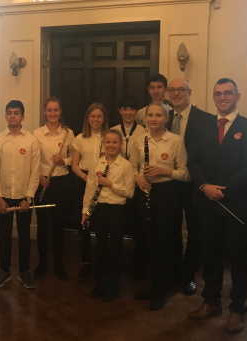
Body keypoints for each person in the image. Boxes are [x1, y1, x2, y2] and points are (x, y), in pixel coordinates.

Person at [187, 78, 247, 334]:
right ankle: (211, 302)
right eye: (218, 93)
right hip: (206, 203)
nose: (222, 97)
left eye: (227, 93)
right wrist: (204, 187)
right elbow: (193, 161)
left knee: (238, 258)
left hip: (235, 206)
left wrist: (223, 191)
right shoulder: (201, 126)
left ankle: (237, 308)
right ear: (213, 97)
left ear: (237, 96)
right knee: (208, 255)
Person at [129, 102, 189, 311]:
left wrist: (163, 171)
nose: (153, 119)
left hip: (166, 193)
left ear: (166, 118)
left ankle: (163, 290)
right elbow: (133, 167)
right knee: (150, 242)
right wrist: (137, 177)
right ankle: (154, 286)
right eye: (150, 115)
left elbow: (185, 173)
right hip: (144, 192)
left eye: (158, 115)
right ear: (145, 119)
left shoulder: (175, 141)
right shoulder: (138, 141)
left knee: (164, 243)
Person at [165, 78, 215, 295]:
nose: (176, 93)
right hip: (170, 184)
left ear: (189, 92)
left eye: (181, 89)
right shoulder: (162, 117)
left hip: (195, 184)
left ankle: (189, 274)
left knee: (195, 230)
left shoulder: (205, 119)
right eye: (172, 90)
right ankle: (174, 269)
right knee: (172, 228)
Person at [0, 100, 40, 289]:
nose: (12, 115)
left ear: (22, 116)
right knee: (4, 235)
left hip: (23, 197)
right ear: (5, 116)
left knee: (24, 235)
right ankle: (4, 270)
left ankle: (24, 270)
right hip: (4, 196)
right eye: (9, 112)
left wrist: (28, 198)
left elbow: (34, 172)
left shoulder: (31, 140)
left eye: (16, 112)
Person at [81, 129, 134, 301]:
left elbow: (130, 193)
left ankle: (113, 282)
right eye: (108, 142)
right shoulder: (97, 164)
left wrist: (111, 184)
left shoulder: (126, 165)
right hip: (100, 209)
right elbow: (89, 190)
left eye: (114, 142)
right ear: (104, 144)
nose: (111, 145)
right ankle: (101, 281)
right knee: (101, 246)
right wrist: (85, 212)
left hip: (117, 210)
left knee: (116, 247)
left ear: (120, 144)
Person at [33, 97, 75, 281]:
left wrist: (63, 161)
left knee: (58, 225)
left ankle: (58, 264)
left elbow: (75, 157)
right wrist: (38, 177)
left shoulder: (68, 133)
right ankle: (42, 264)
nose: (52, 113)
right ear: (44, 112)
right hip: (42, 182)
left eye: (56, 110)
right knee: (42, 226)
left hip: (60, 182)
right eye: (49, 110)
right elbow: (32, 161)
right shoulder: (36, 133)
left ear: (60, 112)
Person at [71, 103, 108, 281]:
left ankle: (101, 263)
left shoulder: (109, 137)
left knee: (101, 223)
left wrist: (97, 181)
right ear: (88, 118)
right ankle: (86, 262)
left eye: (99, 116)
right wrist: (87, 179)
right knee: (83, 223)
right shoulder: (79, 138)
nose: (95, 119)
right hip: (84, 180)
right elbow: (74, 165)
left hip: (103, 181)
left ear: (104, 118)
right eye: (92, 116)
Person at [111, 95, 147, 280]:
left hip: (136, 183)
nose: (128, 113)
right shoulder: (113, 131)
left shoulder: (143, 131)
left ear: (136, 112)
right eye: (124, 109)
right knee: (117, 223)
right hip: (116, 182)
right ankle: (115, 262)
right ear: (120, 111)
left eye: (132, 109)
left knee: (138, 223)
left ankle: (139, 263)